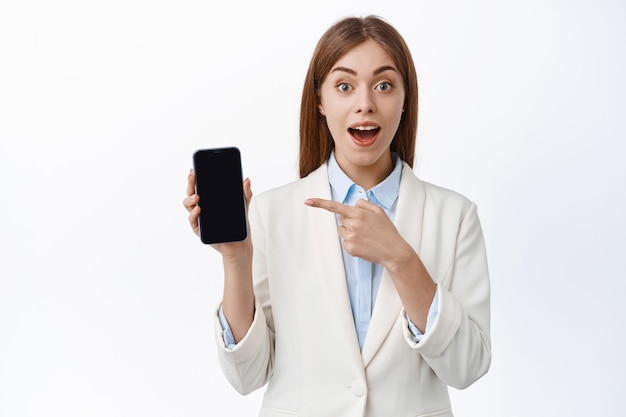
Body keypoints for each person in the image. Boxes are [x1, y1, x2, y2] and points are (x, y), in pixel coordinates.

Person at [183, 15, 490, 417]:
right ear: (320, 101)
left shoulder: (456, 217)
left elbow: (467, 367)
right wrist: (236, 259)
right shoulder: (271, 213)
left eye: (384, 85)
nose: (365, 102)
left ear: (405, 98)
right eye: (344, 86)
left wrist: (400, 258)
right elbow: (248, 376)